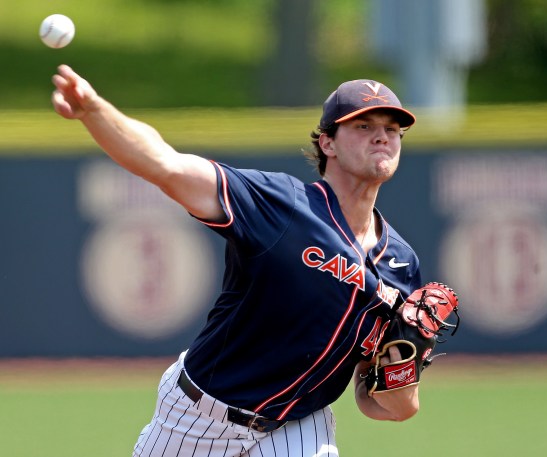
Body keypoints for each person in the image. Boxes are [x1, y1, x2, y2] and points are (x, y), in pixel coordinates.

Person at [52, 65, 422, 457]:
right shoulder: (280, 206)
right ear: (327, 143)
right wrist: (94, 110)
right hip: (198, 417)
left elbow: (386, 405)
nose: (382, 135)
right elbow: (167, 165)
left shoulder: (401, 265)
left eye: (393, 128)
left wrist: (404, 368)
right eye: (363, 126)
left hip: (297, 425)